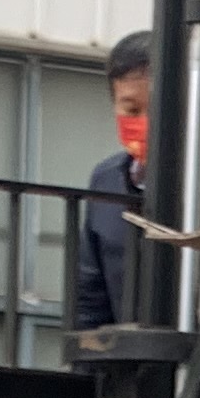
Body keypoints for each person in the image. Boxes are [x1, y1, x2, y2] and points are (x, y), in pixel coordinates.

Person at [71, 31, 153, 334]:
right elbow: (90, 298)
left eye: (157, 109)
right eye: (131, 111)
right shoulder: (106, 181)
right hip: (128, 356)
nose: (145, 123)